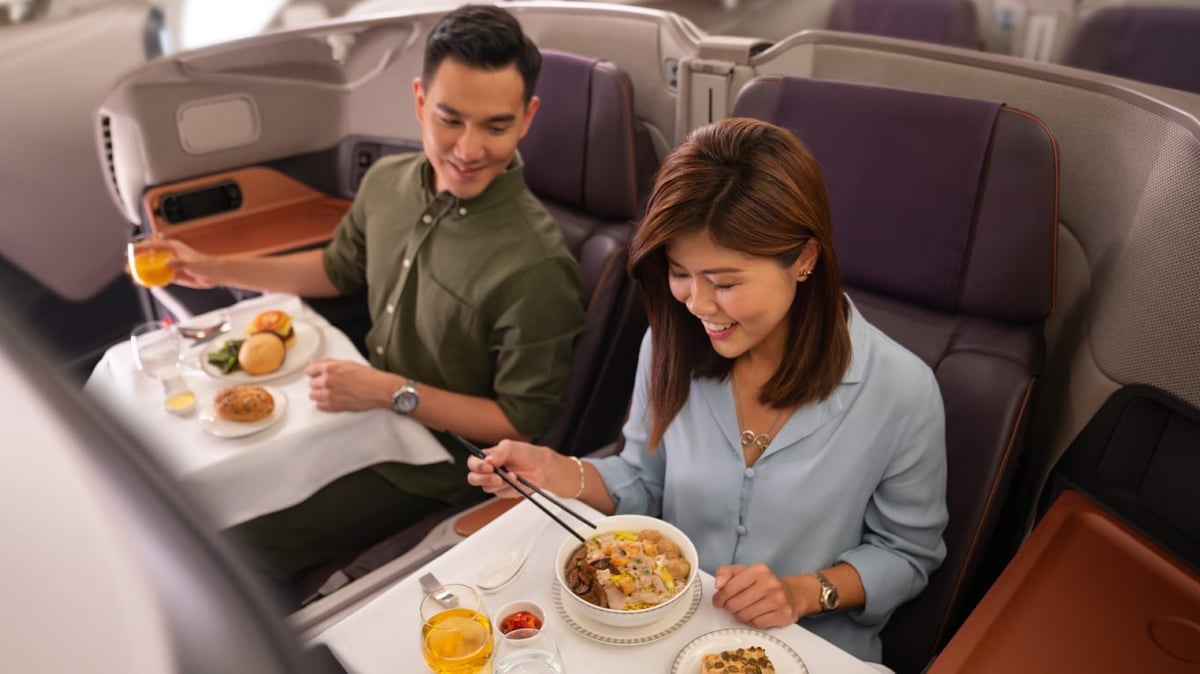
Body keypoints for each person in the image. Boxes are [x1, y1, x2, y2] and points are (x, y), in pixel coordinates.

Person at [467, 117, 948, 663]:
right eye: (679, 273)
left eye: (724, 283)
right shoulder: (669, 343)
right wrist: (558, 471)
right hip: (668, 632)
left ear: (805, 259)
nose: (696, 304)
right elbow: (644, 484)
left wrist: (802, 592)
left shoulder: (902, 391)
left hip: (809, 648)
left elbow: (907, 555)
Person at [159, 5, 585, 585]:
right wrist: (214, 267)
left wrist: (391, 393)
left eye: (495, 125)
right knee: (179, 486)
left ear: (527, 118)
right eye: (449, 119)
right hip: (355, 405)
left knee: (229, 547)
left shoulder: (536, 264)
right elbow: (338, 270)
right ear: (418, 101)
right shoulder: (387, 182)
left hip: (430, 464)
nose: (467, 148)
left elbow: (516, 423)